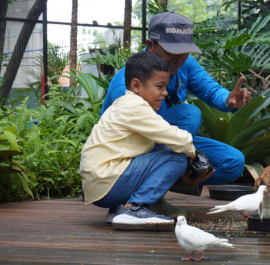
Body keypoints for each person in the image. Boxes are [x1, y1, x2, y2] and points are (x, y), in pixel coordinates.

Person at [99, 12, 252, 220]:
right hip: (129, 152)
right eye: (172, 51)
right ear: (150, 45)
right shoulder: (127, 82)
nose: (178, 58)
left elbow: (211, 90)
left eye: (185, 51)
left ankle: (158, 185)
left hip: (167, 139)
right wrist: (177, 163)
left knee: (232, 161)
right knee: (189, 114)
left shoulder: (184, 65)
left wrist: (230, 101)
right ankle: (136, 201)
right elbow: (127, 140)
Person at [81, 51, 207, 230]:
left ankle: (119, 208)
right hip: (107, 184)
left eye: (166, 87)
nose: (164, 93)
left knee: (156, 148)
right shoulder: (136, 107)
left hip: (100, 185)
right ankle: (134, 208)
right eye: (160, 86)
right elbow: (174, 137)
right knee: (176, 158)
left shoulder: (124, 103)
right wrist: (194, 155)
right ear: (136, 85)